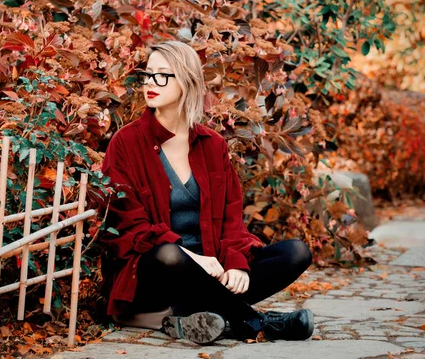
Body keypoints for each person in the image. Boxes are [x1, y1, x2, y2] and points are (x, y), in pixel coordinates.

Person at [97, 40, 314, 345]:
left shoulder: (212, 145)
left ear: (186, 81)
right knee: (169, 255)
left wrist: (236, 262)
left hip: (213, 269)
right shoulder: (126, 143)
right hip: (158, 272)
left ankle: (202, 318)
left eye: (163, 75)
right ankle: (257, 322)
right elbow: (128, 225)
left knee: (296, 252)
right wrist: (191, 257)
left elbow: (230, 219)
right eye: (148, 74)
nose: (150, 83)